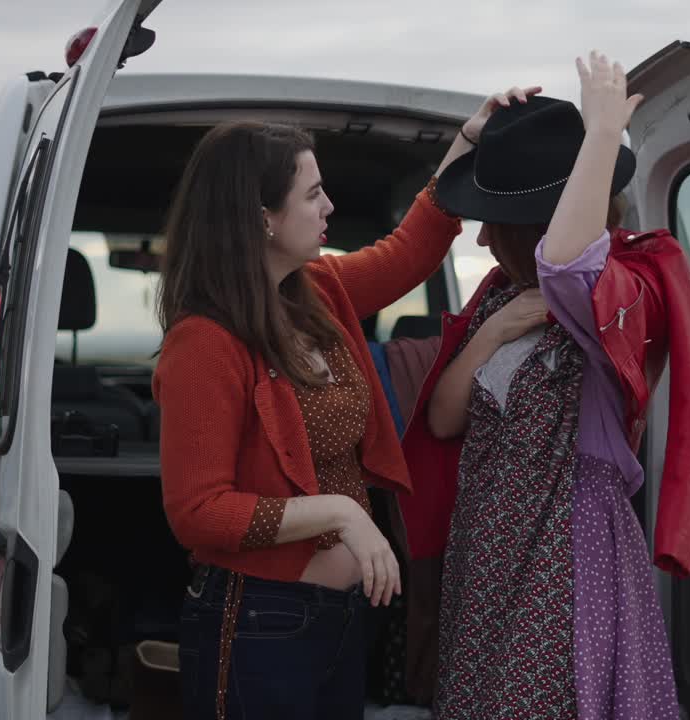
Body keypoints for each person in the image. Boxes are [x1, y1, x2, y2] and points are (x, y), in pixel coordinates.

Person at [153, 85, 541, 720]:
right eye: (312, 194)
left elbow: (411, 250)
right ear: (261, 216)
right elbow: (198, 513)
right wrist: (341, 513)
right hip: (258, 620)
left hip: (337, 619)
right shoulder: (204, 342)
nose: (329, 205)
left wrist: (466, 143)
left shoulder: (318, 290)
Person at [398, 52, 690, 719]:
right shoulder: (500, 300)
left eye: (493, 221)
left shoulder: (623, 290)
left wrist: (603, 133)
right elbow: (445, 420)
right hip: (488, 555)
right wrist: (497, 329)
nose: (480, 238)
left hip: (566, 554)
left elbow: (568, 263)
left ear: (532, 226)